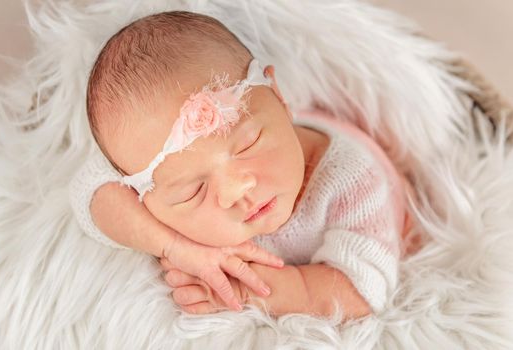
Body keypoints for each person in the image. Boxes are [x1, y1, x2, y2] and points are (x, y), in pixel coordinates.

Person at [70, 11, 420, 320]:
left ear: (280, 96)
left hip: (389, 220)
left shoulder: (353, 181)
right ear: (144, 195)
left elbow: (364, 290)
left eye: (248, 145)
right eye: (194, 192)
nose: (238, 190)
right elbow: (91, 192)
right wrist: (174, 247)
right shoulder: (152, 184)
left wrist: (249, 291)